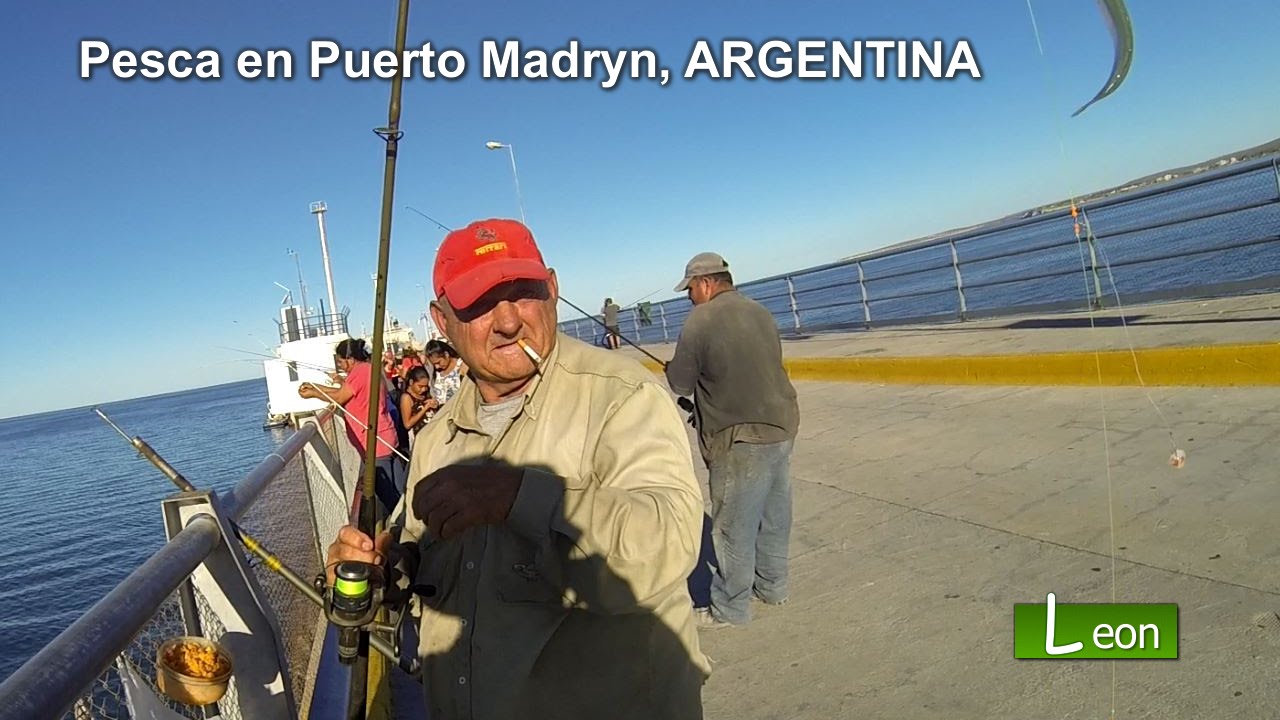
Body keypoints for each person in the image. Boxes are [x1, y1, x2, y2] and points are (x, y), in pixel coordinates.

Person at [325, 218, 710, 720]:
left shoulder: (621, 395)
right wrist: (383, 569)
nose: (507, 321)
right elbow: (421, 549)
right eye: (480, 303)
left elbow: (668, 544)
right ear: (442, 322)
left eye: (523, 293)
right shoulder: (438, 437)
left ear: (552, 289)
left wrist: (517, 496)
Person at [663, 252, 800, 628]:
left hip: (740, 437)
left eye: (690, 288)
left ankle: (730, 608)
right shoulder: (759, 311)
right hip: (782, 424)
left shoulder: (700, 320)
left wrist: (672, 370)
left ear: (705, 283)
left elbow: (680, 383)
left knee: (732, 526)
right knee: (774, 514)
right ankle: (773, 588)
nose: (689, 297)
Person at [299, 338, 408, 515]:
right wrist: (315, 387)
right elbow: (345, 392)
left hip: (375, 443)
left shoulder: (359, 372)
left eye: (341, 362)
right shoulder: (367, 369)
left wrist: (314, 394)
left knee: (390, 497)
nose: (340, 366)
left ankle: (404, 531)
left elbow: (340, 398)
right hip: (385, 436)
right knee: (402, 491)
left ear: (350, 358)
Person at [422, 338, 465, 420]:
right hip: (443, 418)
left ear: (446, 354)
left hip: (462, 416)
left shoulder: (462, 367)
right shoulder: (436, 373)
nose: (437, 367)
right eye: (434, 364)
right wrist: (435, 403)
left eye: (438, 362)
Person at [398, 365, 435, 449]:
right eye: (420, 386)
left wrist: (435, 406)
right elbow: (407, 424)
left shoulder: (424, 394)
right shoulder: (406, 398)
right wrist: (425, 409)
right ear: (411, 382)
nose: (423, 390)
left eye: (425, 386)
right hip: (418, 438)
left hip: (431, 436)